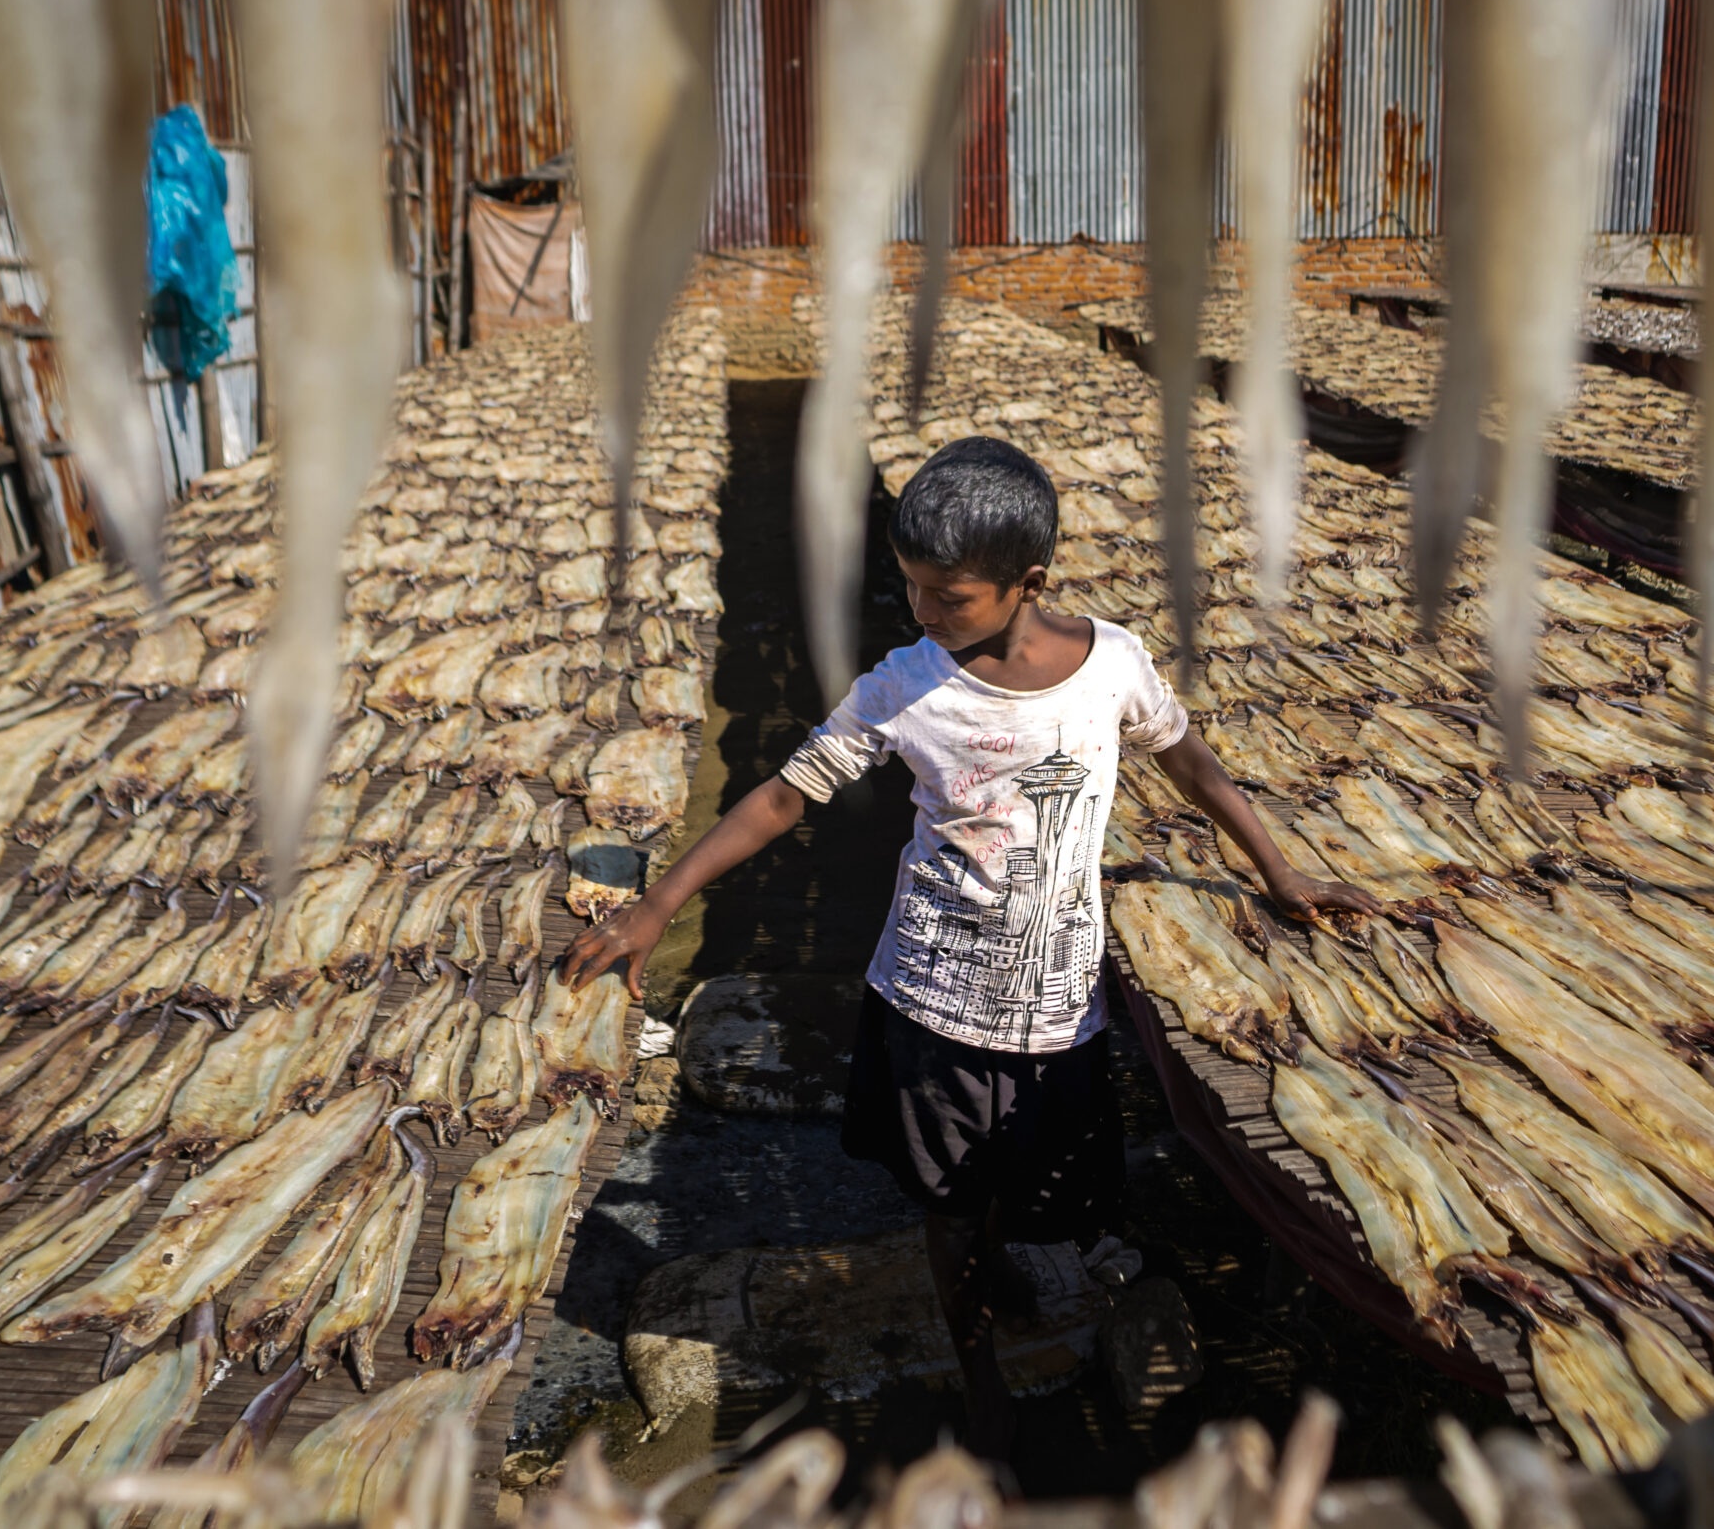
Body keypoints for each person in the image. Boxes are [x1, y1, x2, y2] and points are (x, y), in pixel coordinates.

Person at [561, 435, 1383, 1464]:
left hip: (1058, 1007)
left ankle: (1005, 1286)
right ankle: (979, 1367)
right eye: (909, 589)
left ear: (1028, 583)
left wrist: (1279, 872)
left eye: (948, 597)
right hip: (934, 1002)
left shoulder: (1112, 667)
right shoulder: (907, 684)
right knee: (947, 1204)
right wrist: (660, 900)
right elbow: (781, 795)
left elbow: (1194, 767)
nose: (923, 615)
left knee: (1043, 1193)